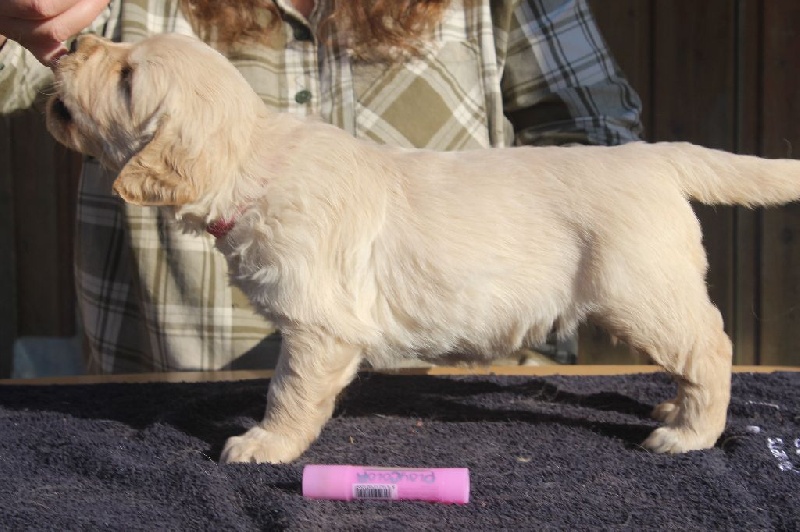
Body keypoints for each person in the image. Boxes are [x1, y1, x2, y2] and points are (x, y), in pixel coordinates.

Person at [0, 0, 643, 373]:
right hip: (169, 410)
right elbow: (14, 74)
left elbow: (597, 139)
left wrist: (498, 289)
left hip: (469, 395)